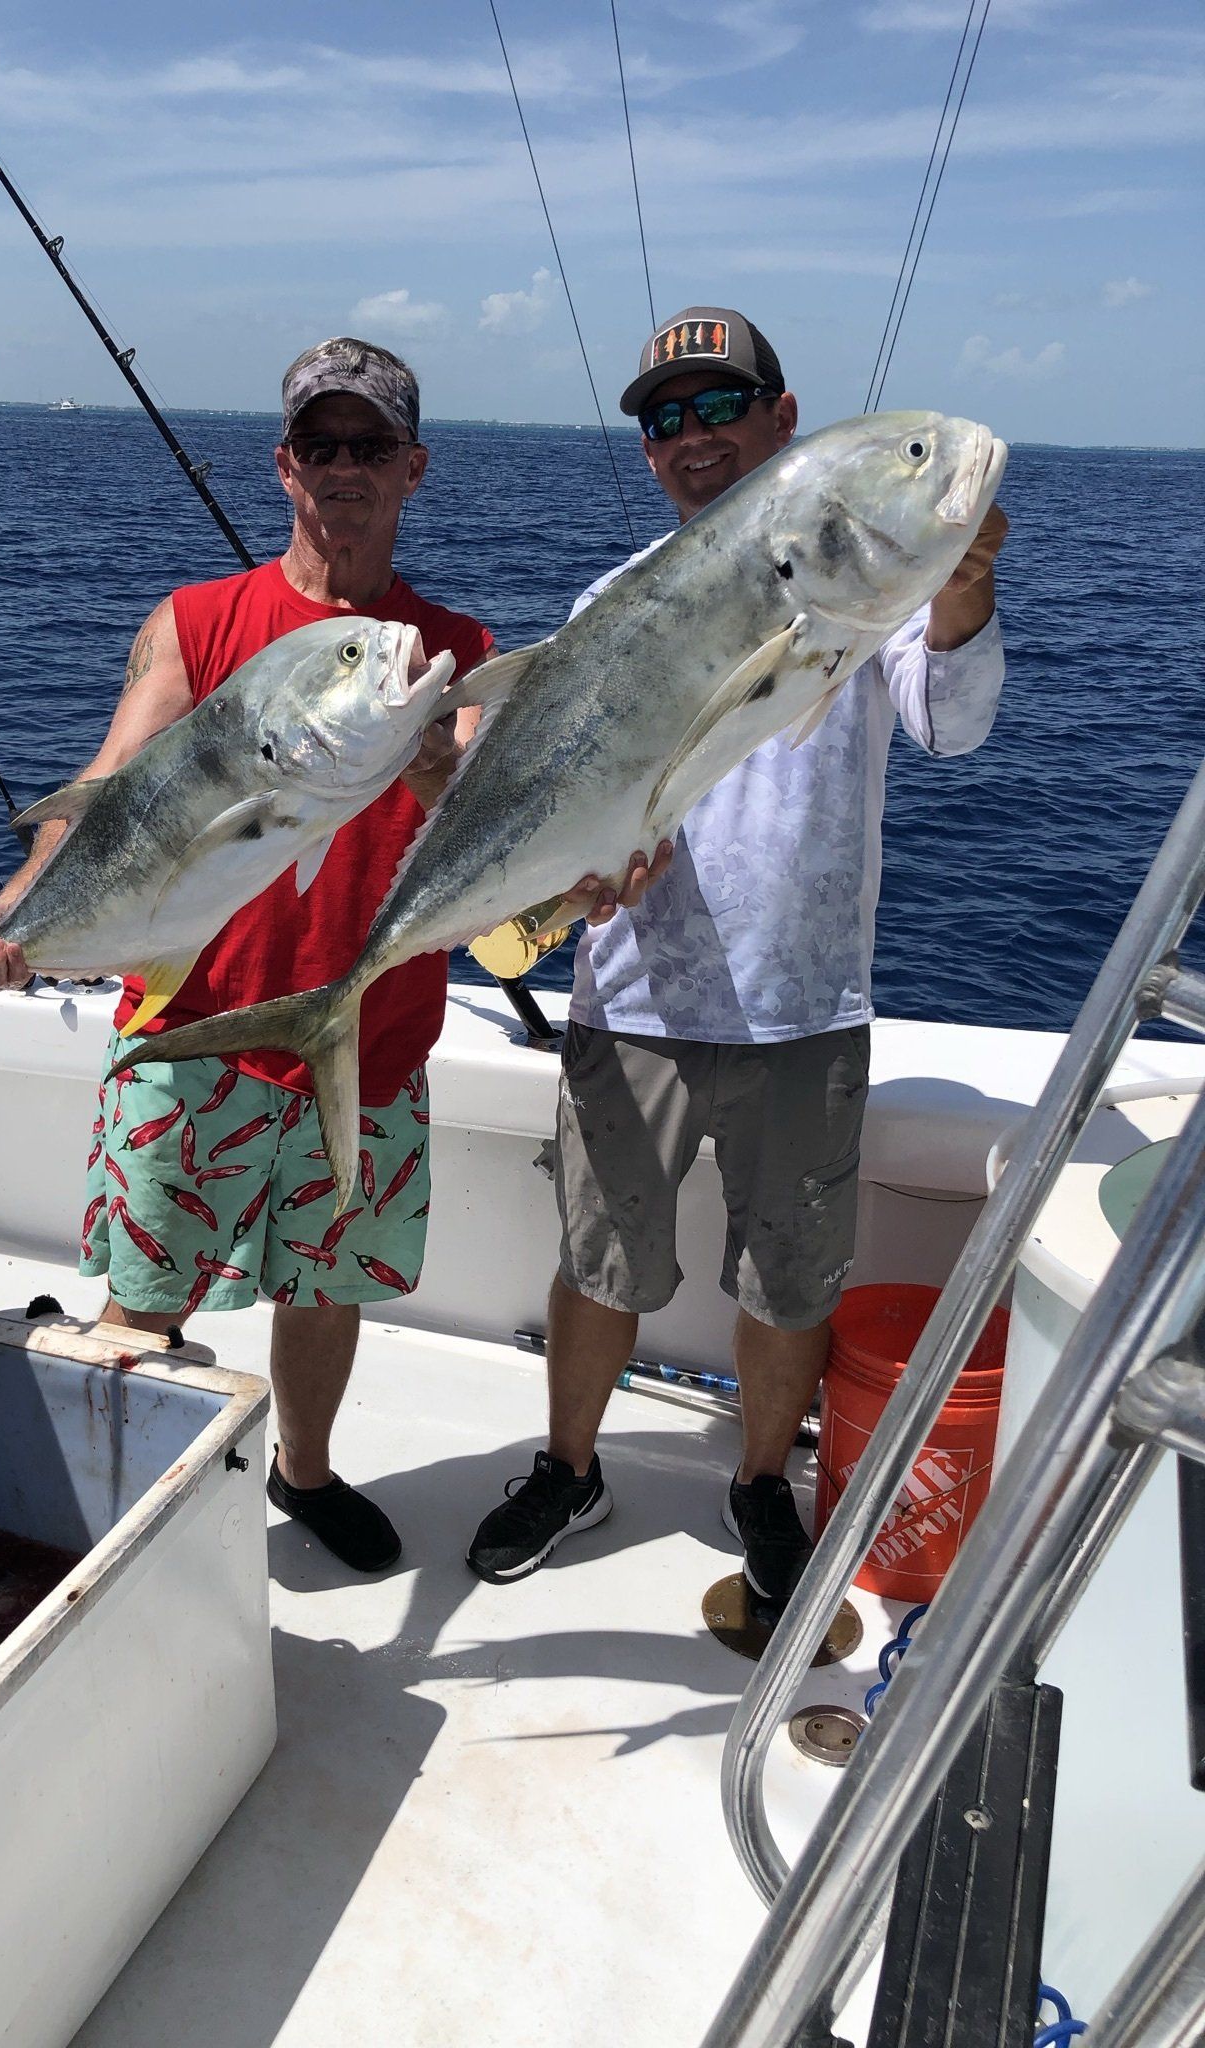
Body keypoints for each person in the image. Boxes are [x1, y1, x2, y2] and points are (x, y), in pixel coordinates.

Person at [466, 304, 1009, 1611]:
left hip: (804, 1009)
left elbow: (955, 723)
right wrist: (562, 883)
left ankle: (763, 1480)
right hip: (633, 1004)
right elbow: (569, 795)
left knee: (788, 1280)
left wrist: (965, 580)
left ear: (783, 419)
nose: (693, 436)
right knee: (602, 1262)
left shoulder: (867, 581)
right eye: (665, 418)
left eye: (720, 406)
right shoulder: (616, 602)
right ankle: (570, 1464)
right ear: (649, 451)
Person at [0, 337, 496, 1575]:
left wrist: (445, 769)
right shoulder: (196, 623)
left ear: (415, 469)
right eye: (321, 447)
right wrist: (18, 908)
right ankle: (106, 1514)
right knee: (144, 1292)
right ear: (284, 466)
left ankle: (304, 1471)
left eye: (371, 448)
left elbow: (480, 841)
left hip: (367, 1039)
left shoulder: (449, 647)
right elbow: (105, 791)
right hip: (196, 1027)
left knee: (324, 1284)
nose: (344, 470)